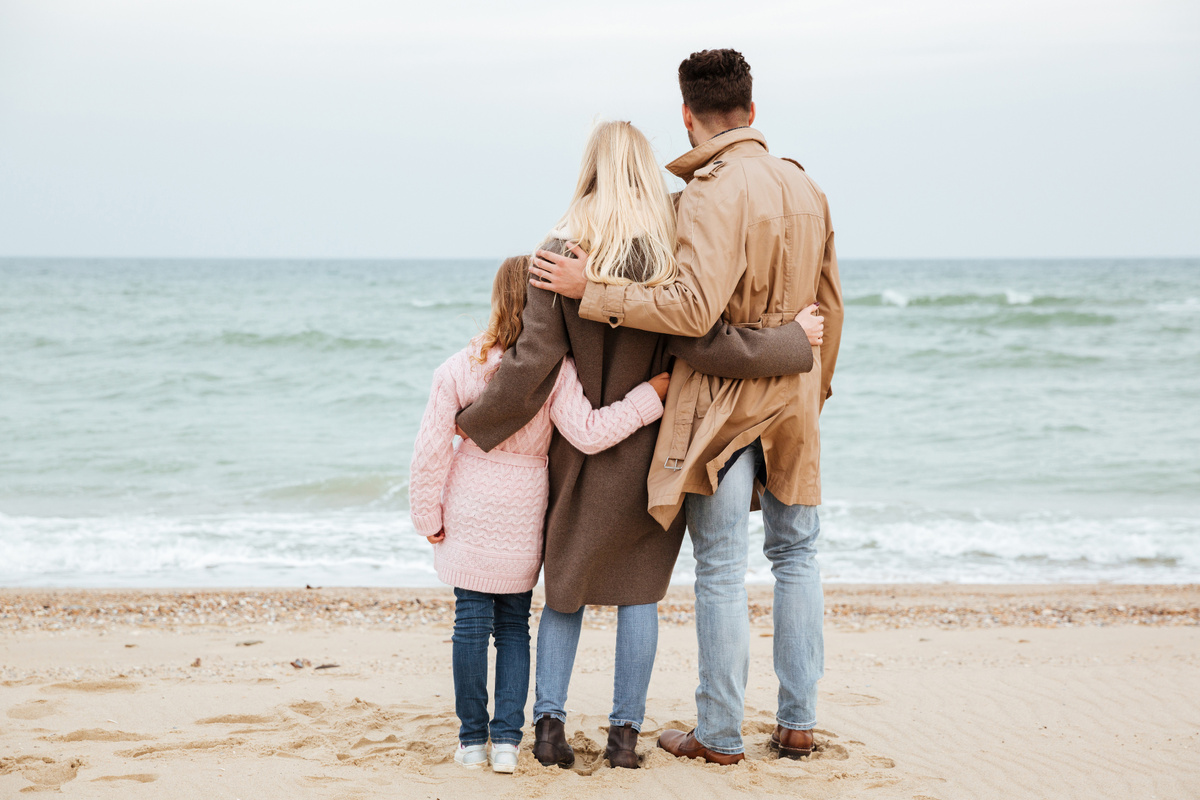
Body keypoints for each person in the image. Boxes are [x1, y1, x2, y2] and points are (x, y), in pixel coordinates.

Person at [456, 120, 825, 769]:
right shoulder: (668, 257)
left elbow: (533, 362)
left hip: (576, 457)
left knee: (564, 592)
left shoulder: (557, 252)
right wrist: (793, 341)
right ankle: (626, 739)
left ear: (589, 170)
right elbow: (705, 343)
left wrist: (469, 420)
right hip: (654, 452)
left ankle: (548, 729)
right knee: (638, 597)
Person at [530, 49, 845, 765]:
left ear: (687, 114)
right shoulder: (807, 187)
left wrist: (591, 292)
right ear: (752, 111)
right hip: (795, 401)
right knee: (798, 556)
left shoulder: (708, 191)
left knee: (722, 567)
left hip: (723, 411)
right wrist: (811, 390)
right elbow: (831, 310)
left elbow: (693, 312)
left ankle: (722, 733)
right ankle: (797, 722)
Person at [408, 256, 673, 774]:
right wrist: (650, 397)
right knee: (512, 628)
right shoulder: (554, 374)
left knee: (469, 624)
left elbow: (430, 452)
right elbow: (592, 433)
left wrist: (427, 517)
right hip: (524, 511)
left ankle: (472, 742)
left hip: (470, 506)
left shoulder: (459, 367)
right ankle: (508, 740)